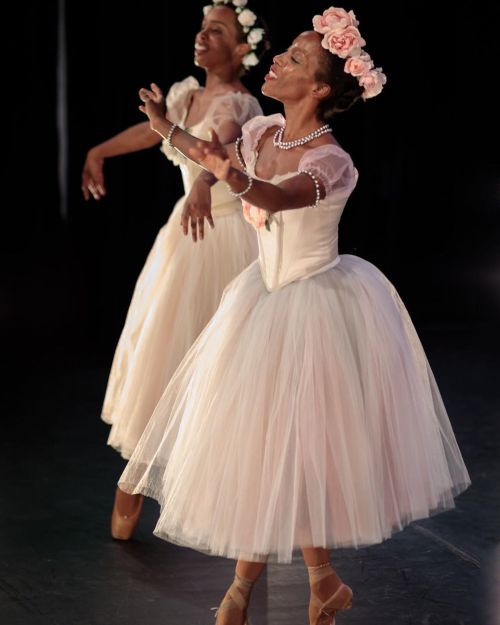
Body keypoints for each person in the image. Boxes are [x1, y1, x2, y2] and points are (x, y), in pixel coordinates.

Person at [119, 7, 471, 624]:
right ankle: (312, 582)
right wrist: (168, 130)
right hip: (262, 301)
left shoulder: (331, 161)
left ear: (320, 89)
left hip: (316, 308)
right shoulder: (263, 133)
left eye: (297, 59)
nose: (279, 59)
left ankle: (247, 593)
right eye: (285, 51)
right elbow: (213, 151)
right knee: (263, 447)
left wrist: (230, 177)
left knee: (299, 450)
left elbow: (276, 198)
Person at [81, 0, 269, 541]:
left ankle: (231, 492)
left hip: (223, 235)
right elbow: (155, 133)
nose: (204, 35)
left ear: (240, 49)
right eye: (202, 27)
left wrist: (206, 185)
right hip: (185, 236)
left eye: (218, 30)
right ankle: (135, 478)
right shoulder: (186, 93)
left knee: (220, 361)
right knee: (162, 354)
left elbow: (221, 152)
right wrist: (99, 150)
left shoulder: (240, 102)